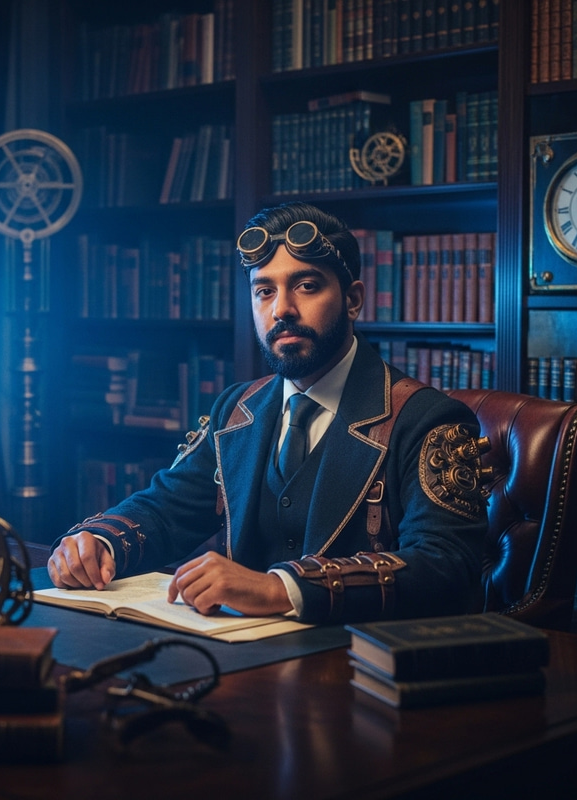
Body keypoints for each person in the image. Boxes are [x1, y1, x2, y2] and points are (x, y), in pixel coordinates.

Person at [48, 201, 488, 624]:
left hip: (356, 668)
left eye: (307, 285)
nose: (282, 309)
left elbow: (446, 566)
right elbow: (167, 509)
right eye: (264, 291)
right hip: (238, 661)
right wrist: (100, 542)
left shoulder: (429, 419)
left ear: (353, 300)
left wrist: (282, 589)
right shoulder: (237, 410)